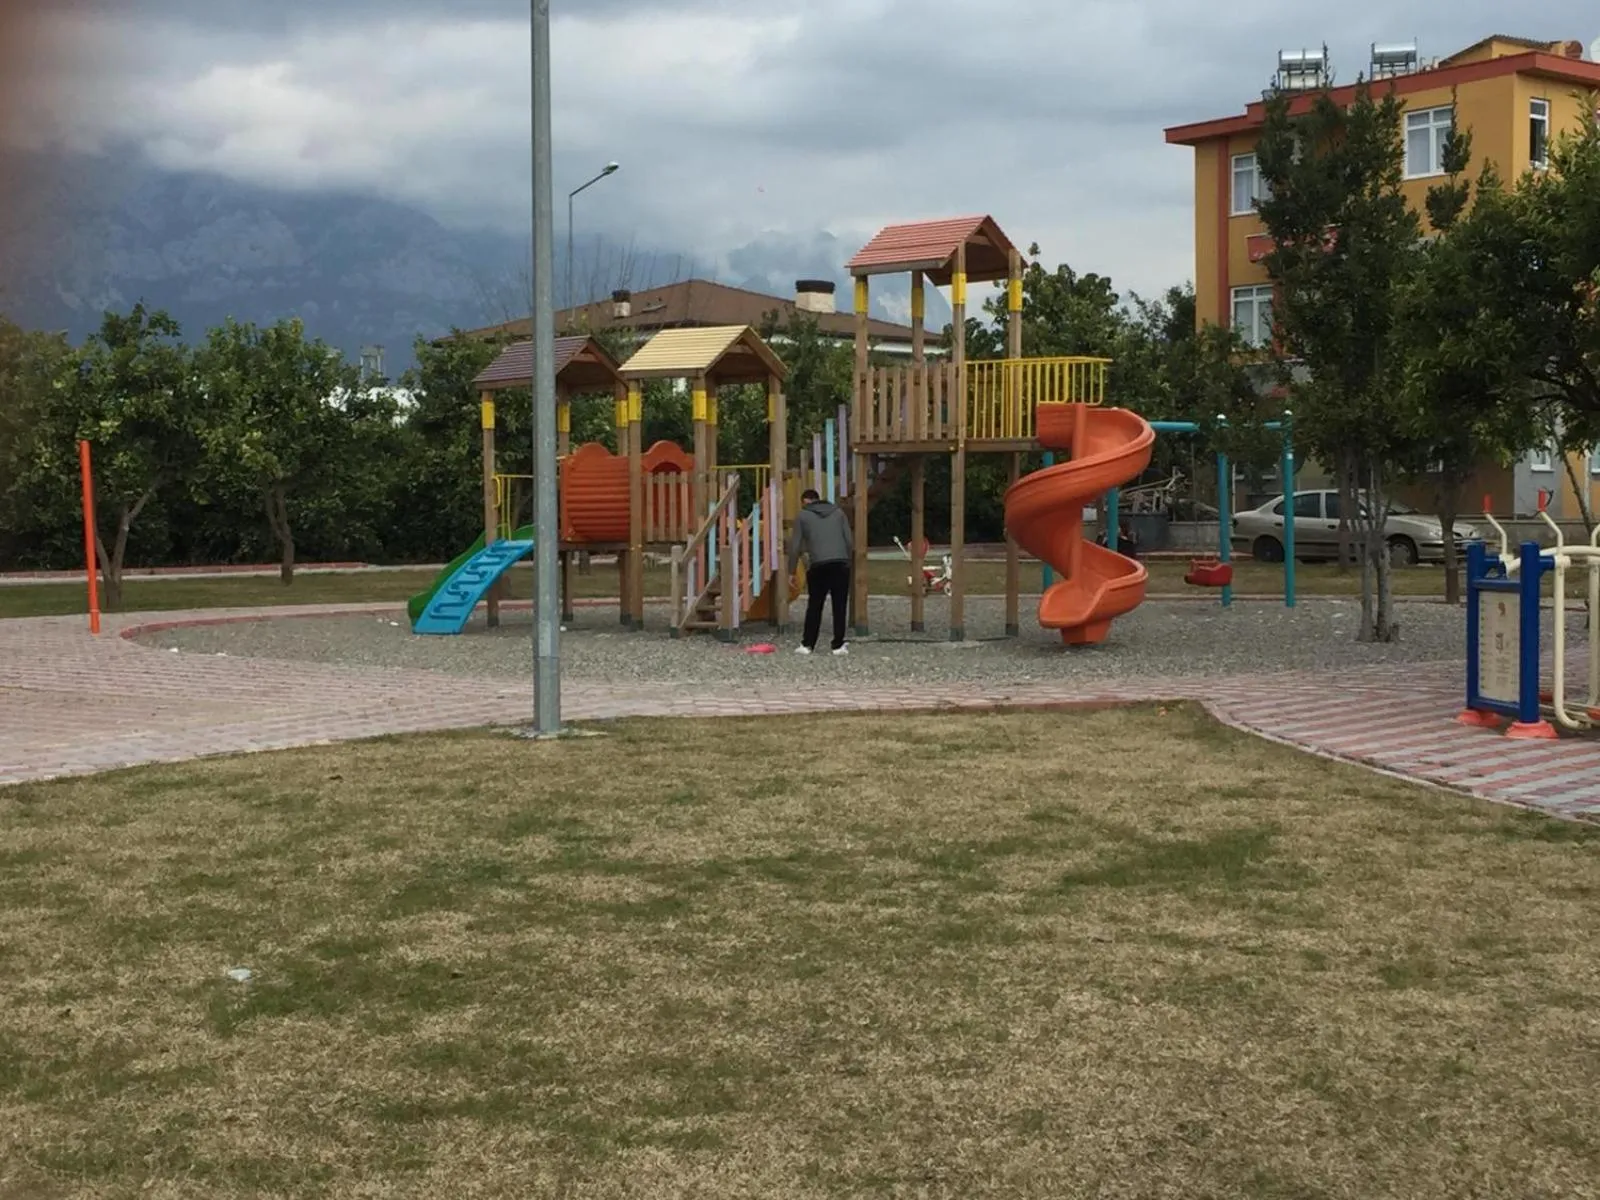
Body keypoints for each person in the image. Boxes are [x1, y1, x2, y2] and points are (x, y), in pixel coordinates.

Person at [787, 488, 853, 655]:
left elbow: (795, 546)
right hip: (840, 563)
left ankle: (807, 644)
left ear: (805, 501)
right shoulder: (838, 513)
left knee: (815, 604)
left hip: (818, 564)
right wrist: (847, 560)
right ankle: (838, 645)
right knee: (840, 605)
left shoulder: (803, 515)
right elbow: (849, 540)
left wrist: (791, 571)